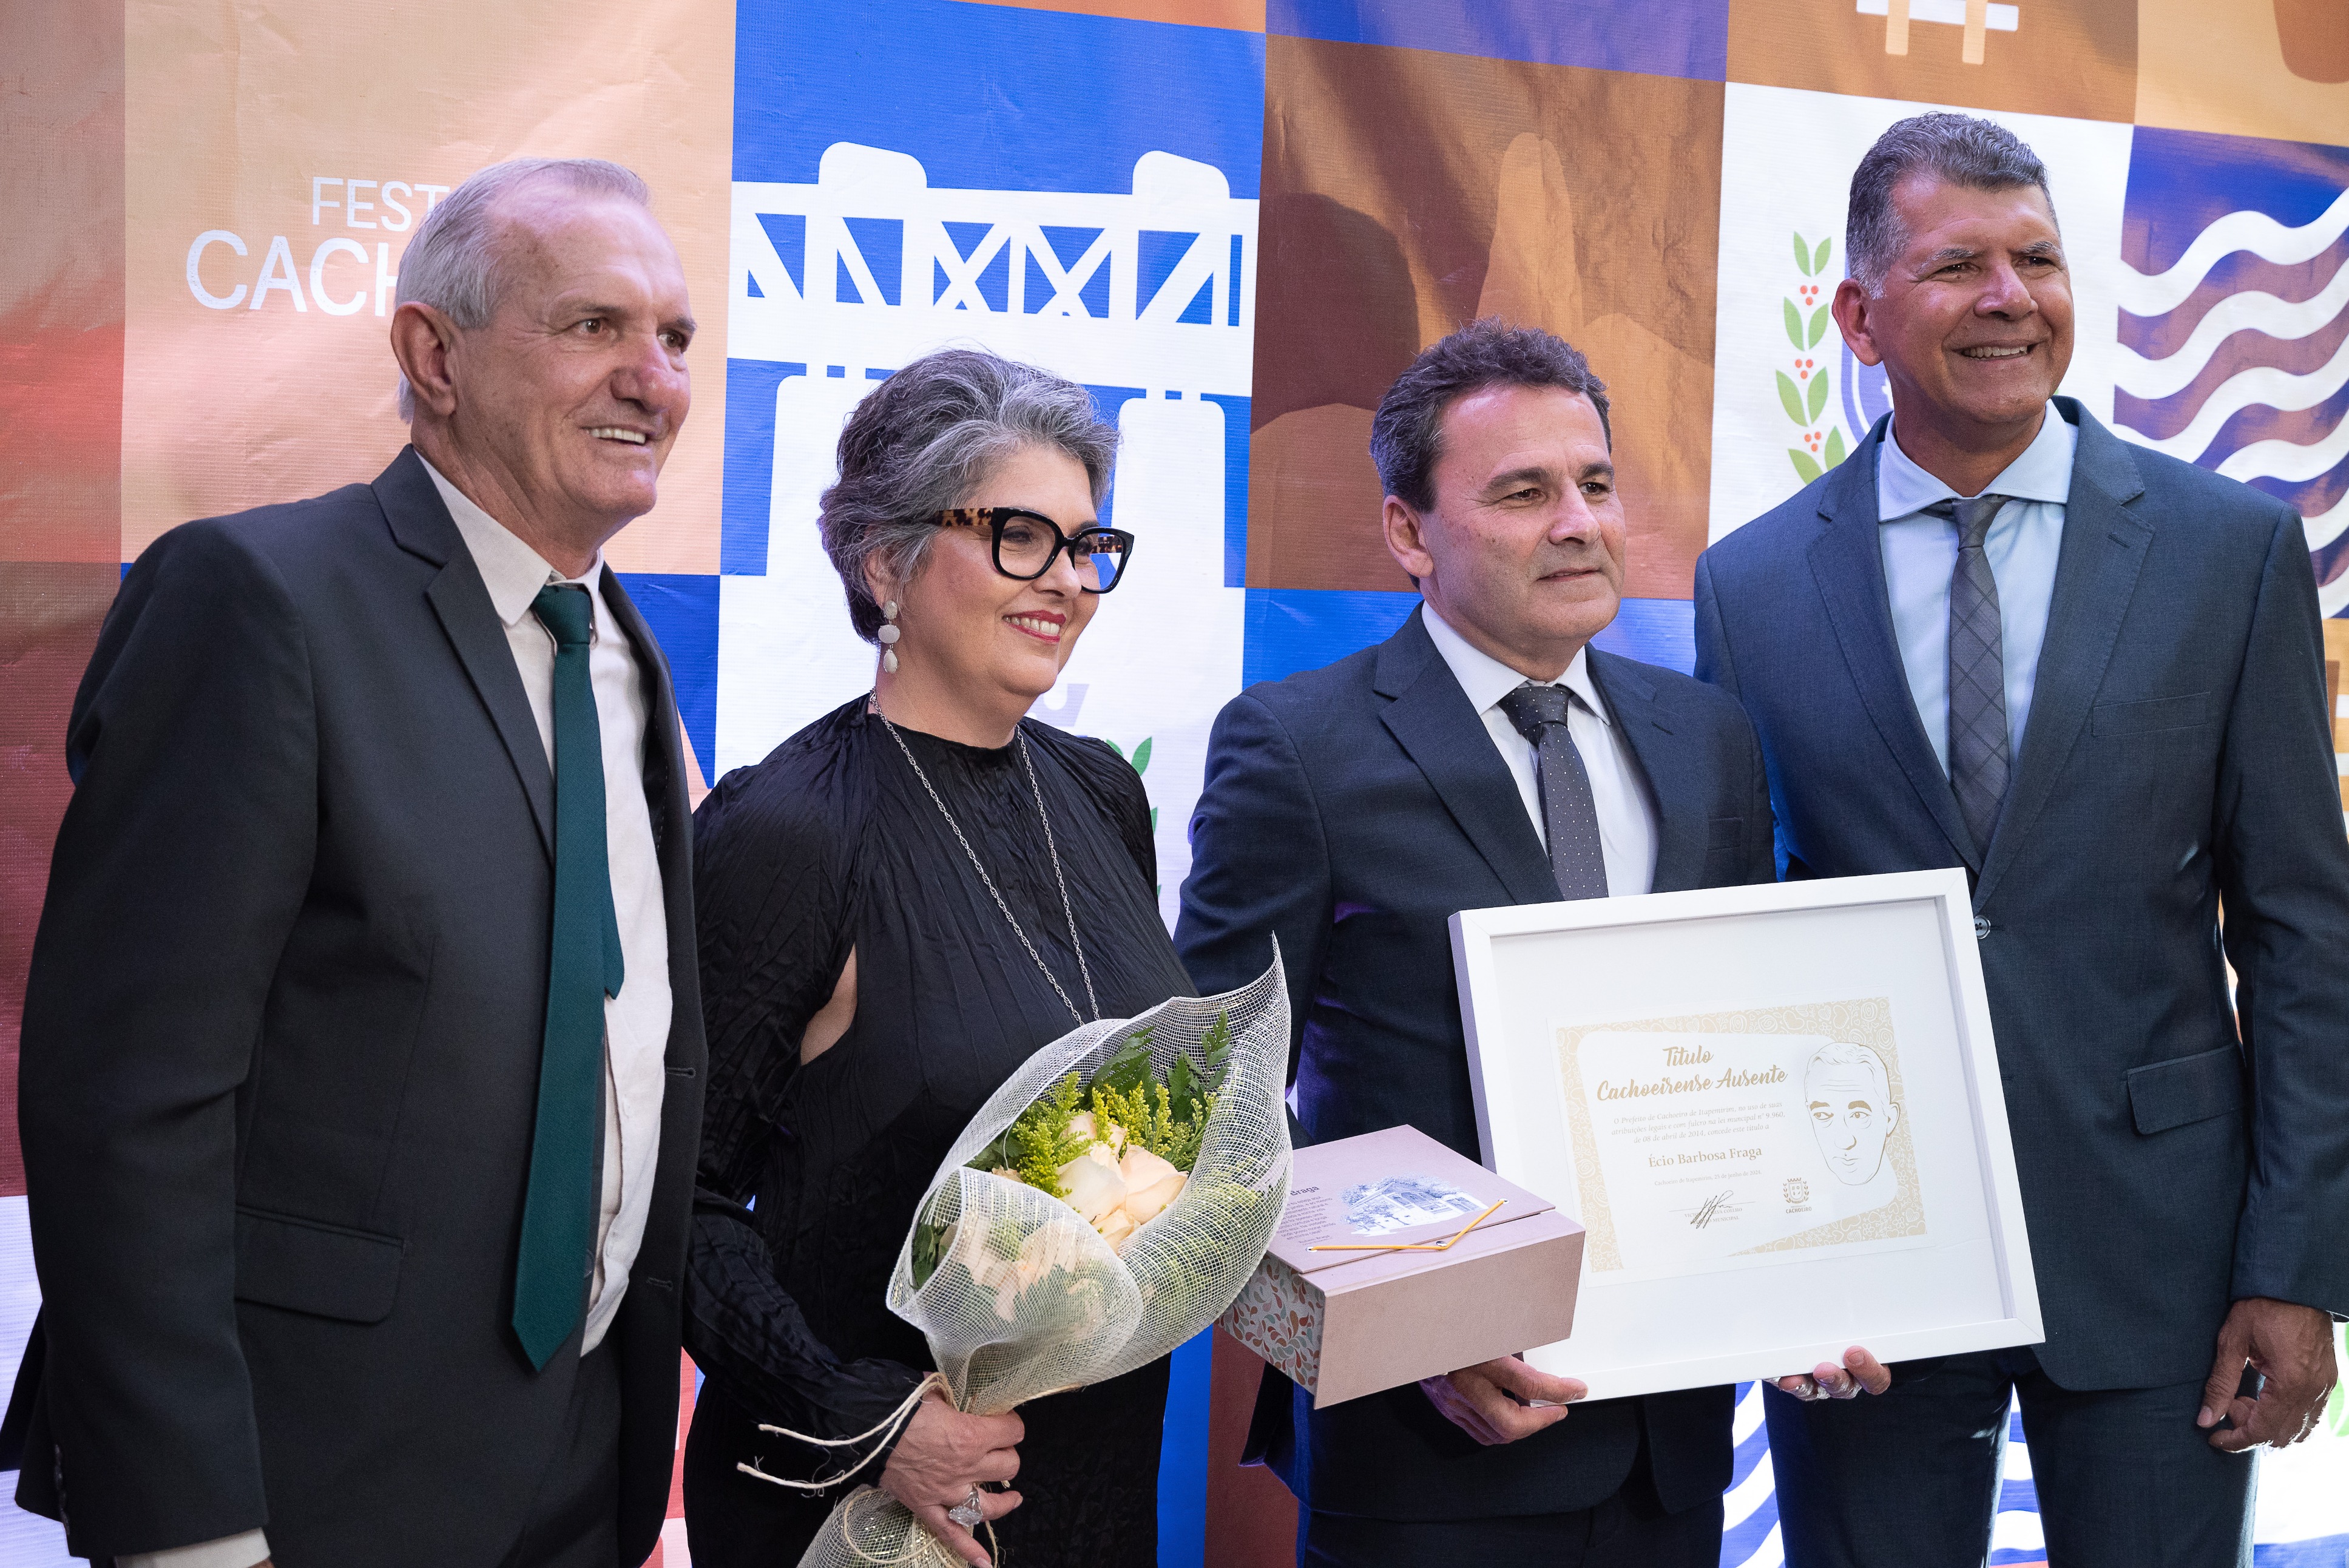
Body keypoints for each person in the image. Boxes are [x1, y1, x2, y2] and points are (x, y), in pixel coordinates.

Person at [5, 157, 706, 1567]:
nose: (654, 380)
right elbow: (128, 1103)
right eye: (594, 326)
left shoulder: (624, 656)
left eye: (675, 337)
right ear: (432, 356)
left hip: (582, 1476)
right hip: (303, 1482)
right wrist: (193, 1530)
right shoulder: (258, 600)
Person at [1695, 112, 2349, 1568]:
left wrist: (2296, 1264)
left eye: (2038, 260)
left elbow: (2306, 934)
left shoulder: (2229, 552)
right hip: (1861, 1259)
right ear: (1857, 315)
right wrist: (1753, 1264)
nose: (2011, 298)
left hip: (2164, 1257)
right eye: (1958, 266)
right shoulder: (1752, 584)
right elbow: (1736, 949)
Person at [1175, 319, 1887, 1568]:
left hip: (1667, 1449)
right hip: (1424, 1459)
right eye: (1522, 493)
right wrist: (1406, 1332)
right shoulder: (1297, 747)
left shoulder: (1707, 736)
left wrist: (1802, 1287)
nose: (1578, 523)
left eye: (1595, 484)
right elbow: (1206, 1105)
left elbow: (1748, 1054)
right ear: (1409, 532)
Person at [682, 349, 1187, 1568]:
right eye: (1019, 536)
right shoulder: (788, 831)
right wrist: (872, 1420)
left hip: (1095, 1480)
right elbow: (671, 1203)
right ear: (885, 562)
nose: (1066, 579)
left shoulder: (1103, 793)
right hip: (864, 1500)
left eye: (1085, 544)